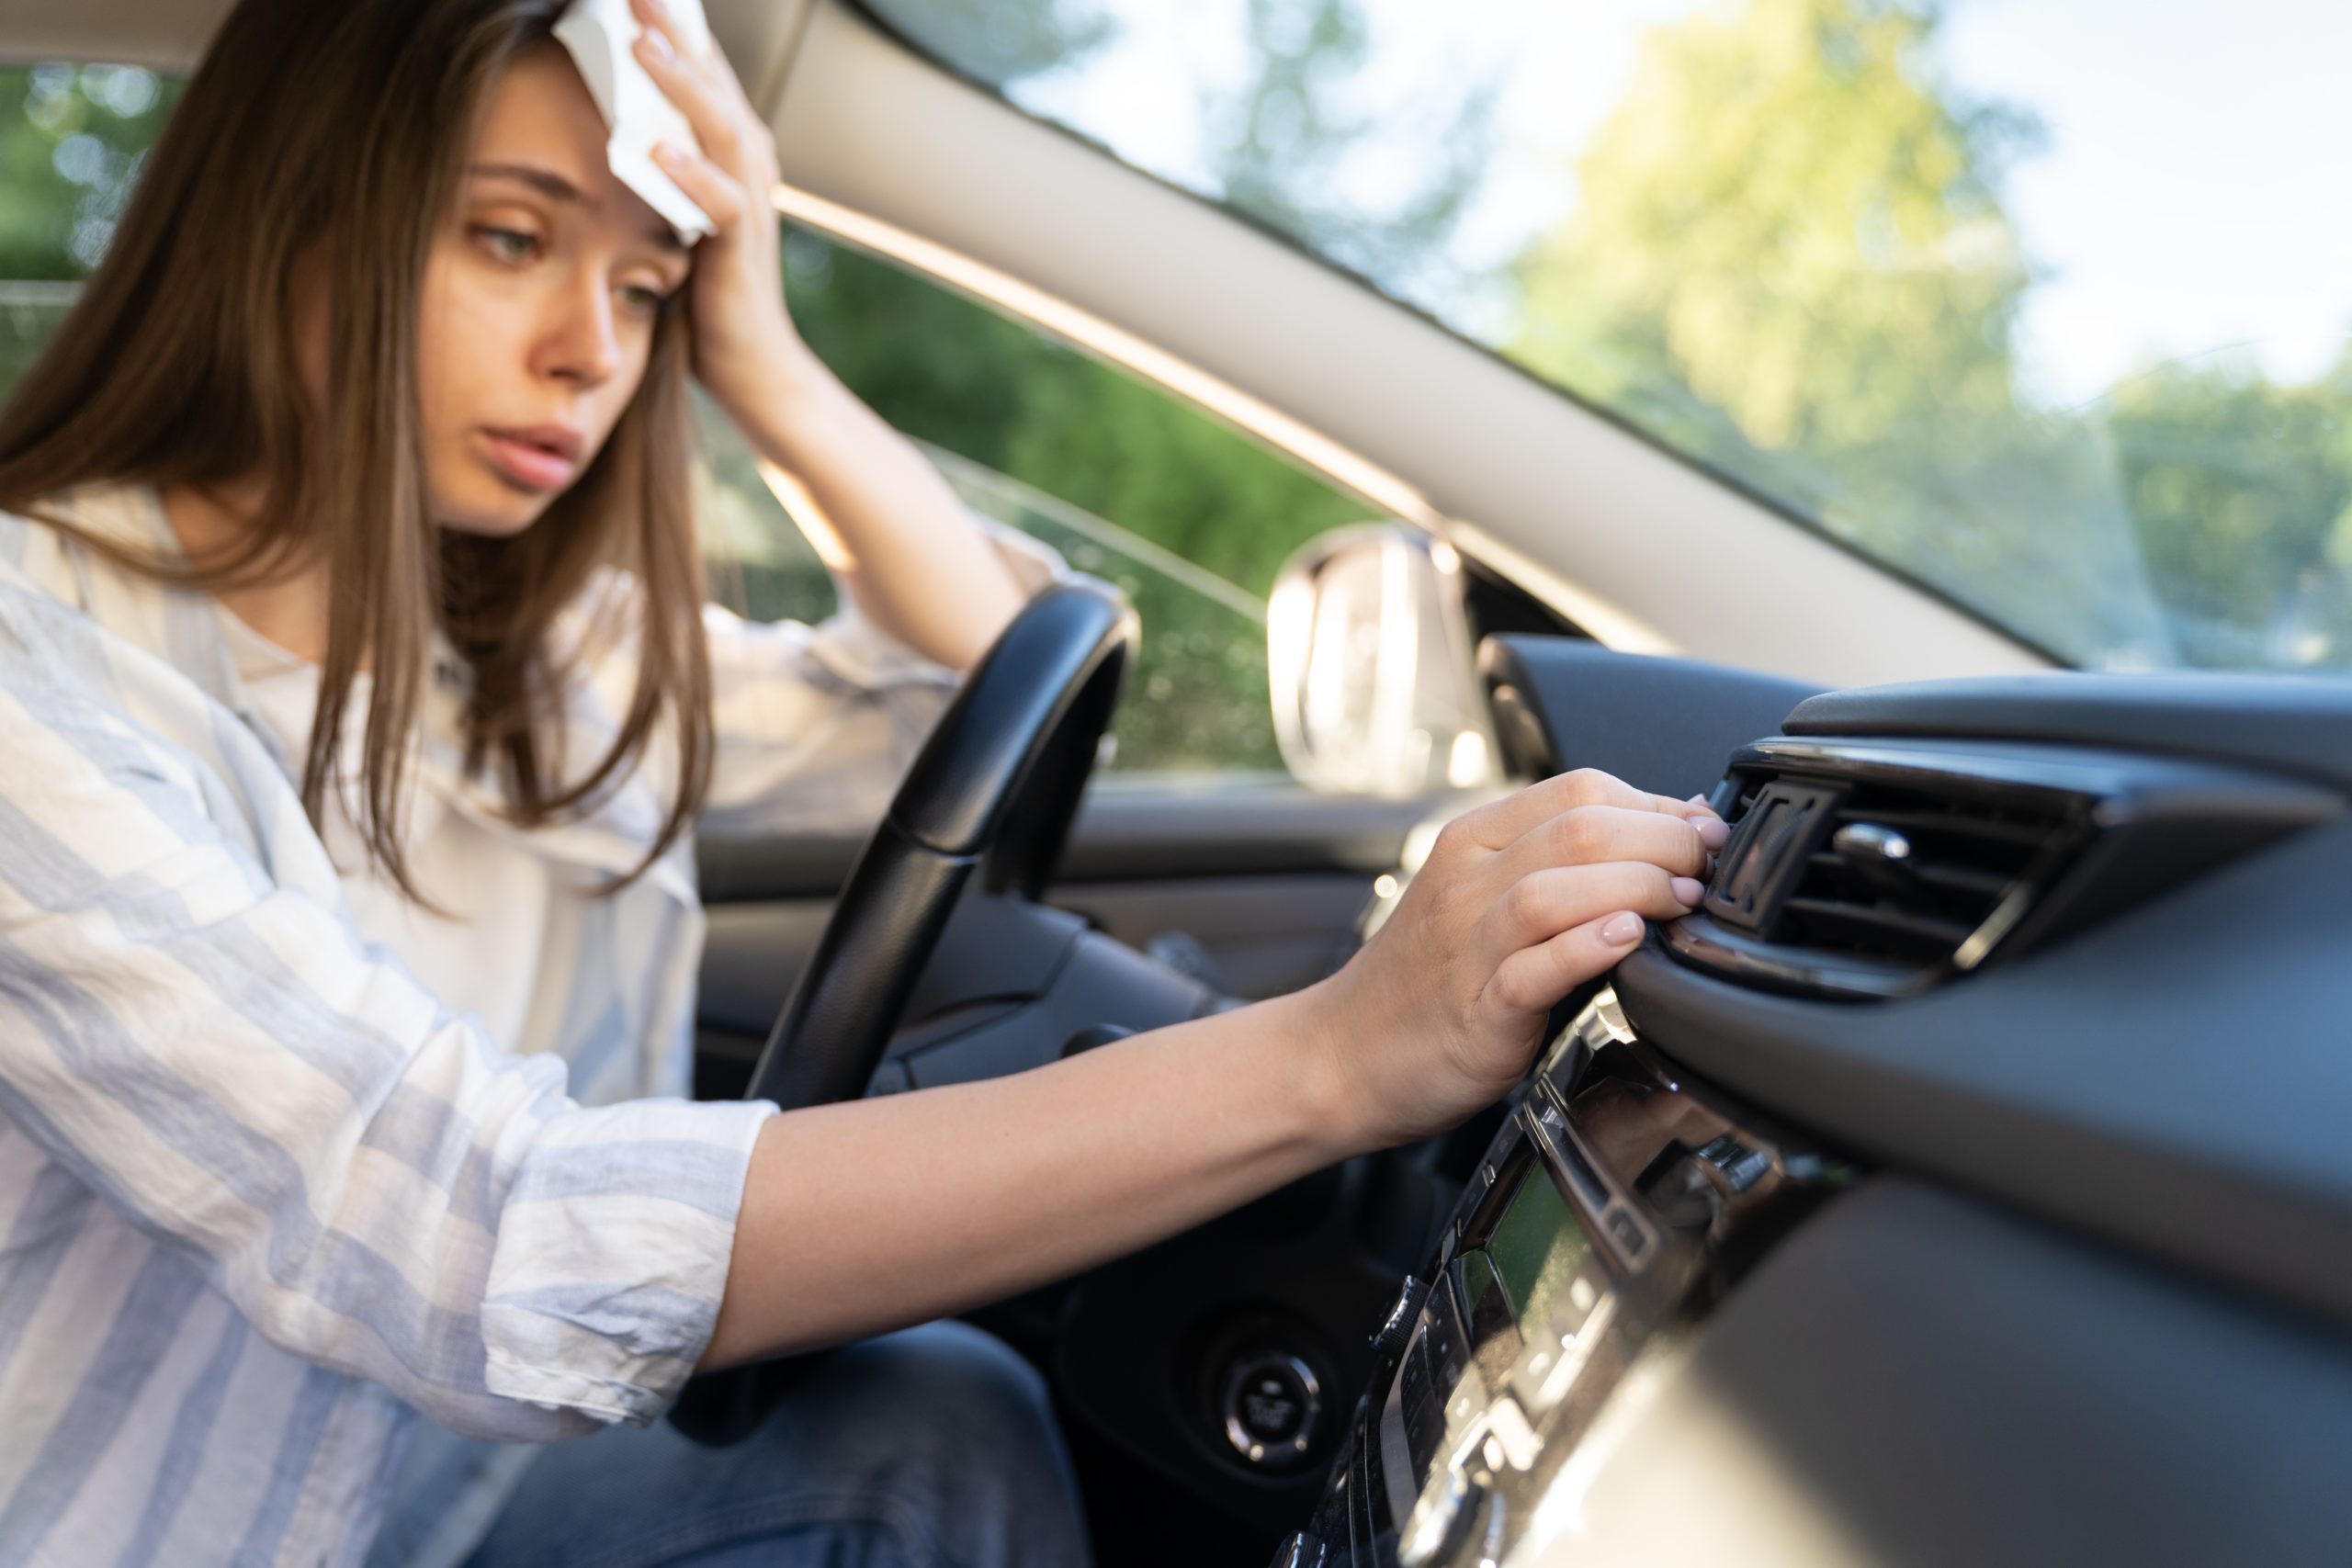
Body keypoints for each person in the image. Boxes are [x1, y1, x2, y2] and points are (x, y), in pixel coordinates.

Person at [0, 0, 1727, 1562]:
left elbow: (987, 681)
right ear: (285, 224)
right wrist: (1337, 1054)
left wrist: (759, 349)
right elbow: (475, 1234)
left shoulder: (539, 666)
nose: (589, 355)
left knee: (935, 1431)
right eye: (512, 238)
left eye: (642, 288)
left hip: (452, 1486)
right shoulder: (36, 672)